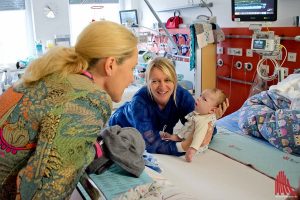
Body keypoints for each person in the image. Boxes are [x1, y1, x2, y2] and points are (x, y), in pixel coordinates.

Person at [0, 21, 138, 199]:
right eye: (132, 68)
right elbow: (46, 193)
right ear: (110, 64)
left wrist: (86, 151)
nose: (132, 78)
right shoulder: (91, 99)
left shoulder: (57, 77)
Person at [109, 57, 229, 156]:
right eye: (155, 81)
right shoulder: (139, 103)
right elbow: (151, 144)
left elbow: (201, 127)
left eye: (167, 80)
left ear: (175, 81)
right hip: (120, 123)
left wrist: (210, 118)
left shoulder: (181, 96)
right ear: (148, 83)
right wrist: (183, 146)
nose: (162, 87)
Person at [161, 88, 227, 162]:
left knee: (194, 133)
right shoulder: (198, 114)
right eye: (200, 96)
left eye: (204, 99)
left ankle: (185, 146)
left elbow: (199, 137)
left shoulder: (203, 121)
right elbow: (186, 127)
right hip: (187, 137)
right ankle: (177, 137)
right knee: (187, 125)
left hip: (196, 145)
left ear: (212, 110)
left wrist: (192, 149)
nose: (199, 99)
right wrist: (177, 136)